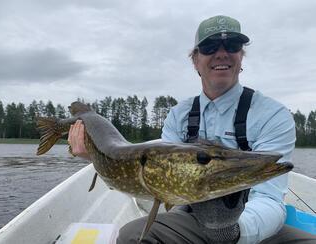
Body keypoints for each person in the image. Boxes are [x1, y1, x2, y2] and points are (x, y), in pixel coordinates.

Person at [68, 15, 316, 243]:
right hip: (190, 218)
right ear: (195, 60)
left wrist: (233, 231)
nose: (222, 54)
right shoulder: (179, 115)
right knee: (132, 236)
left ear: (241, 57)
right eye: (209, 48)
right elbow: (158, 185)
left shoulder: (272, 115)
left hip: (253, 224)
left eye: (232, 46)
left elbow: (270, 199)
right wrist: (97, 156)